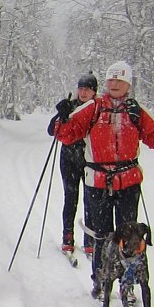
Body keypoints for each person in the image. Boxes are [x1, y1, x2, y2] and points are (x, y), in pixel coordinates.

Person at [52, 60, 154, 292]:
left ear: (128, 82)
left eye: (120, 79)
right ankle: (100, 281)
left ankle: (127, 284)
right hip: (98, 182)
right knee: (102, 236)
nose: (115, 83)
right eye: (111, 79)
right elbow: (66, 135)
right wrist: (63, 117)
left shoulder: (135, 110)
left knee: (130, 237)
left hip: (128, 182)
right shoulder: (94, 107)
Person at [48, 73, 98, 260]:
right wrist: (61, 115)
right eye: (81, 88)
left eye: (88, 89)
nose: (84, 92)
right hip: (69, 158)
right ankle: (67, 236)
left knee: (90, 200)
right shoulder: (70, 106)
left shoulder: (97, 109)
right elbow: (51, 129)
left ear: (94, 92)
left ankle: (89, 240)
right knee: (71, 198)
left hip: (90, 160)